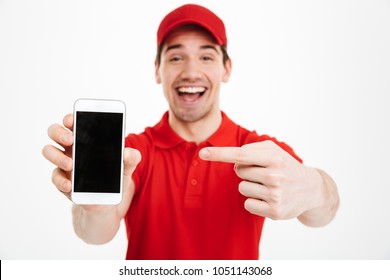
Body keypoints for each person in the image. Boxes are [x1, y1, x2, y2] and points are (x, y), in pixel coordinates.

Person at [42, 4, 339, 260]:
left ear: (226, 69)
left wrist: (316, 188)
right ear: (157, 70)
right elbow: (94, 235)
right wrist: (94, 210)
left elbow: (323, 213)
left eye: (206, 57)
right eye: (176, 57)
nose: (191, 72)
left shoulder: (258, 150)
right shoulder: (132, 152)